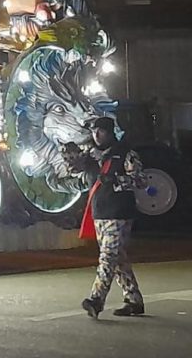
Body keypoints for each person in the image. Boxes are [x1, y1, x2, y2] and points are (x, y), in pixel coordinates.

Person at [80, 116, 147, 319]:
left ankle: (96, 299)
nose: (96, 135)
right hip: (100, 213)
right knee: (119, 260)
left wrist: (117, 179)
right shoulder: (90, 156)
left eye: (100, 131)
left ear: (110, 132)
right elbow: (80, 182)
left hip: (120, 213)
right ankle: (133, 299)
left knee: (108, 257)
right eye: (93, 131)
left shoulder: (126, 154)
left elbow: (142, 181)